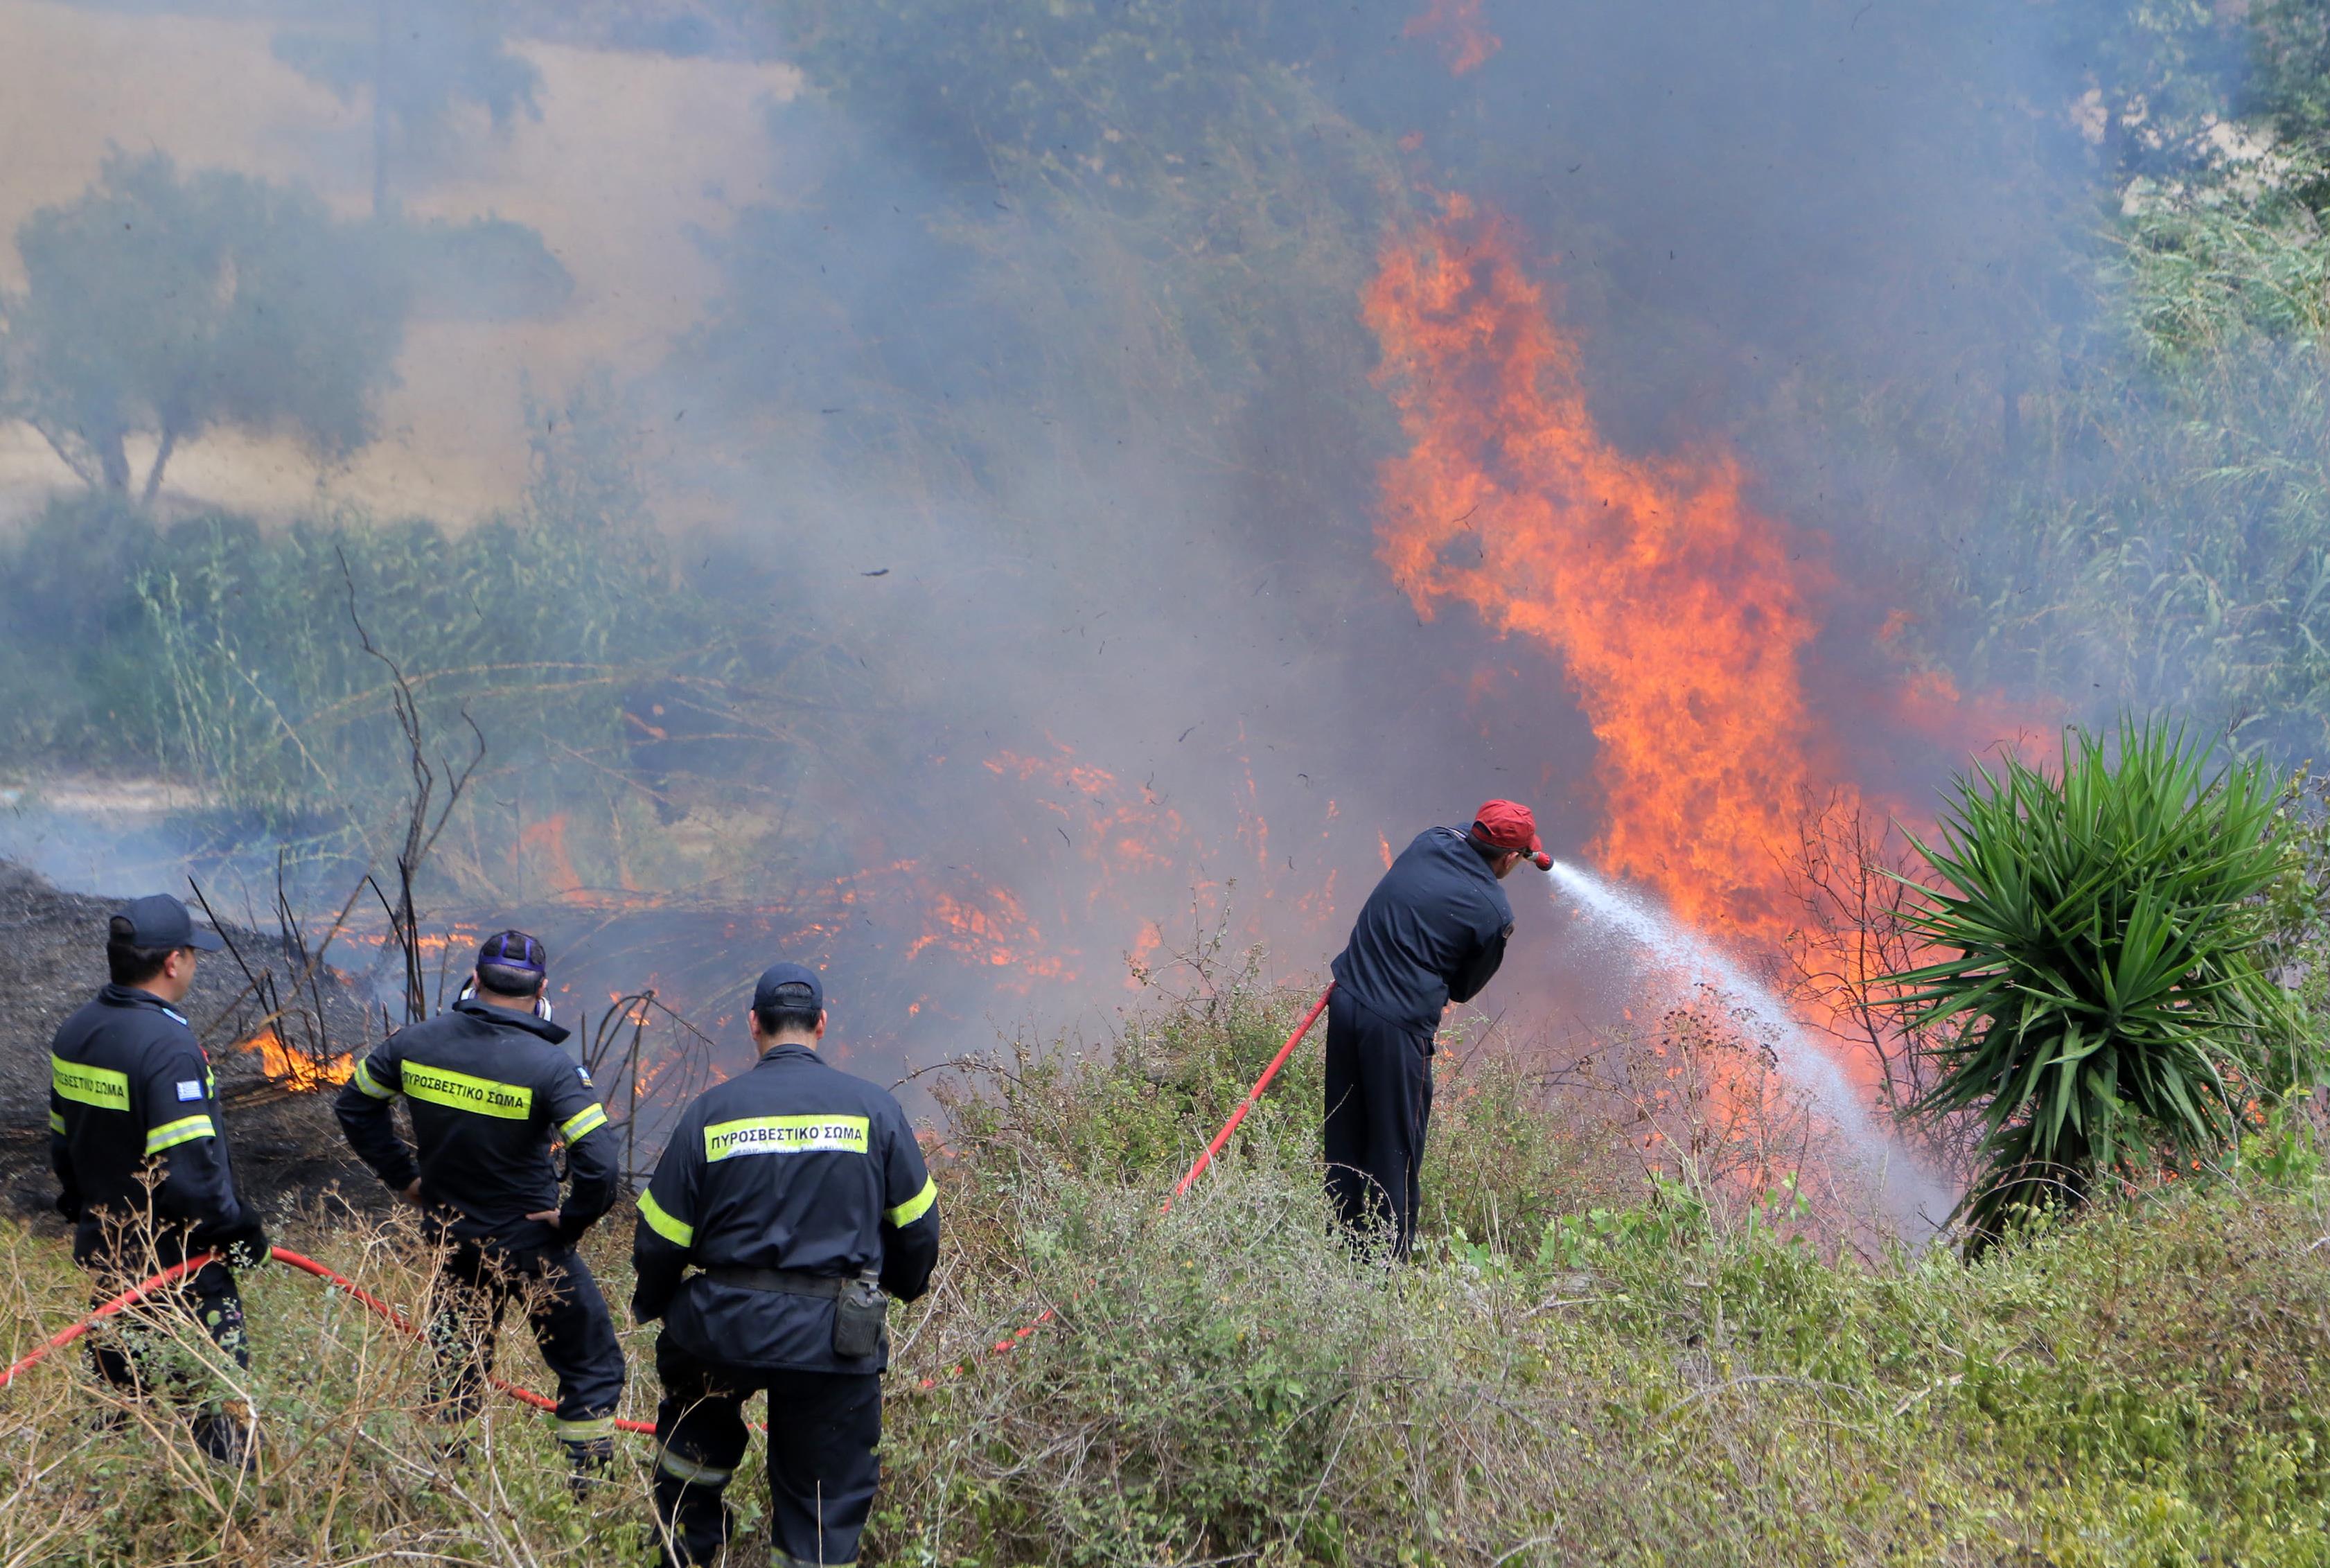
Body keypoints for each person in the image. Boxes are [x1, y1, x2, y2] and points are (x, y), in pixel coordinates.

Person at [632, 962, 940, 1568]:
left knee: (689, 1470)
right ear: (822, 1023)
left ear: (753, 1024)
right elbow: (918, 1227)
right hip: (833, 1339)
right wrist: (898, 1290)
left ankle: (685, 1553)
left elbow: (660, 1235)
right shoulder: (874, 1110)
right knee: (822, 1513)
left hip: (720, 1329)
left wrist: (659, 1301)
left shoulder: (709, 1113)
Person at [335, 930, 624, 1479]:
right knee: (590, 1363)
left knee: (455, 1363)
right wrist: (573, 1219)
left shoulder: (412, 1043)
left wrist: (405, 1179)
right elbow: (600, 1160)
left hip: (451, 1234)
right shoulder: (552, 1067)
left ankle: (446, 1477)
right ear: (541, 989)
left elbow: (354, 1106)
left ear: (474, 977)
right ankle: (590, 1489)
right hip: (532, 1244)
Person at [49, 892, 269, 1466]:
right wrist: (239, 1227)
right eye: (192, 954)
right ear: (173, 961)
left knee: (117, 1418)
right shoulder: (170, 1048)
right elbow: (190, 1178)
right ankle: (238, 1522)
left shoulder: (75, 1032)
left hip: (111, 1260)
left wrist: (90, 1211)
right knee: (223, 1418)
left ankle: (103, 1518)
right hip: (181, 1271)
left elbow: (62, 1146)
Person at [1325, 800, 1546, 1258]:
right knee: (1395, 1150)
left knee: (1344, 1135)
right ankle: (1386, 1272)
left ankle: (1339, 1245)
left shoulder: (1430, 839)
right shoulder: (1493, 911)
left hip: (1345, 1001)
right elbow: (1463, 987)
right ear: (1509, 858)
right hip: (1395, 1030)